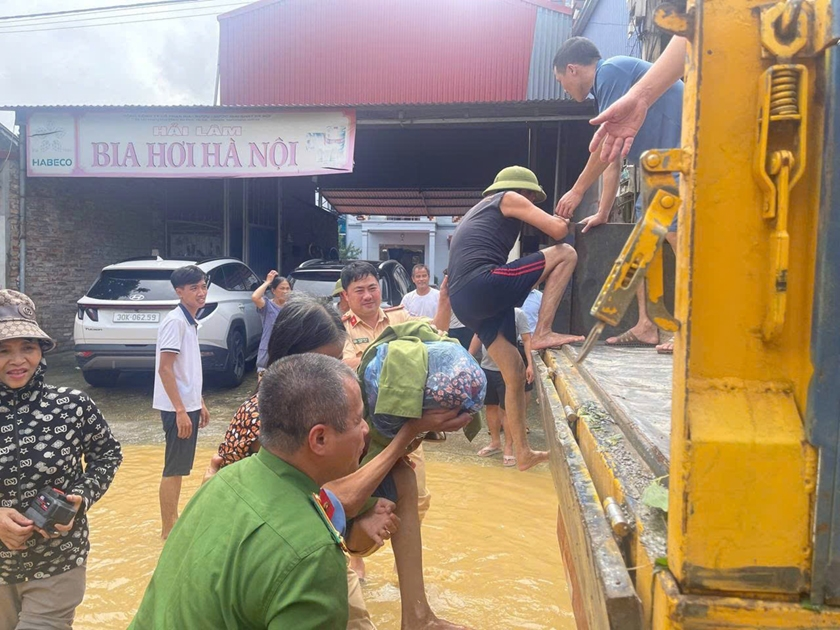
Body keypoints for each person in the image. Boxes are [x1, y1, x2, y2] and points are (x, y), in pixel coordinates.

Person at [205, 295, 471, 630]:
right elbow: (315, 506)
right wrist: (408, 434)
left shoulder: (319, 404)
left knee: (403, 474)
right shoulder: (270, 415)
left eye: (337, 361)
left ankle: (417, 615)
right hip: (281, 547)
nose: (334, 374)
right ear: (292, 357)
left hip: (314, 531)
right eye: (324, 362)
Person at [130, 355, 367, 629]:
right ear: (319, 439)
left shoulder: (223, 480)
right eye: (358, 420)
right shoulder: (313, 554)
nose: (365, 430)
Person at [447, 166, 584, 472]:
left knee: (515, 370)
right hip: (481, 283)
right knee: (565, 253)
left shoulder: (476, 211)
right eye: (532, 198)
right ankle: (544, 331)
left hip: (466, 299)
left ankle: (522, 452)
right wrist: (564, 216)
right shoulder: (507, 198)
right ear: (525, 192)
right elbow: (558, 232)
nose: (532, 202)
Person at [0, 290, 122, 630]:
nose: (18, 360)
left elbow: (108, 455)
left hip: (58, 562)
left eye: (28, 347)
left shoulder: (72, 406)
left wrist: (81, 498)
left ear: (42, 351)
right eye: (3, 350)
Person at [553, 36, 683, 353]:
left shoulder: (610, 72)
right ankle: (646, 325)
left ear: (572, 69)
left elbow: (603, 152)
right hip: (660, 171)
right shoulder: (608, 84)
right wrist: (603, 211)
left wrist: (577, 190)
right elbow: (614, 157)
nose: (567, 93)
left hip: (682, 158)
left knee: (681, 241)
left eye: (562, 83)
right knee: (643, 241)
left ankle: (691, 330)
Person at [153, 265, 211, 539]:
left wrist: (198, 401)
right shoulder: (175, 322)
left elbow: (185, 369)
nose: (201, 293)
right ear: (179, 292)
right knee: (174, 468)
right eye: (194, 288)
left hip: (187, 406)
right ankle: (168, 529)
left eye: (203, 286)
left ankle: (171, 525)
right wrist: (180, 409)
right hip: (177, 409)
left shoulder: (189, 320)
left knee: (178, 467)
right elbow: (165, 368)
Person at [589, 36, 688, 163]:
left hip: (695, 152)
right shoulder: (605, 79)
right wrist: (641, 96)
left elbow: (606, 150)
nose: (564, 90)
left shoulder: (608, 71)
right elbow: (613, 149)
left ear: (571, 69)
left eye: (560, 80)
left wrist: (580, 184)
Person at [471, 308, 533, 467]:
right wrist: (468, 358)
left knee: (508, 410)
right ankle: (495, 443)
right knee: (490, 407)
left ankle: (508, 449)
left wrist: (530, 365)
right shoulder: (485, 313)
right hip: (487, 367)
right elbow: (478, 336)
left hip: (508, 369)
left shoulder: (518, 314)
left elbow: (527, 340)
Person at [251, 270, 292, 371]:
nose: (285, 291)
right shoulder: (267, 305)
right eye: (282, 288)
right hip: (267, 351)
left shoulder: (293, 307)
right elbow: (255, 297)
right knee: (264, 380)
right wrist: (268, 282)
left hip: (287, 351)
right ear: (273, 291)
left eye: (288, 288)